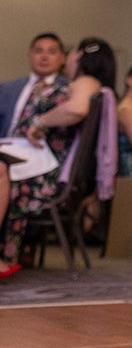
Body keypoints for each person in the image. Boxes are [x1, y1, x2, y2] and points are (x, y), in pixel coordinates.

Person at [0, 39, 115, 278]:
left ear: (79, 55)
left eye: (70, 51)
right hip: (33, 161)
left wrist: (39, 122)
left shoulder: (86, 82)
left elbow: (77, 109)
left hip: (43, 171)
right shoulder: (82, 83)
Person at [0, 32, 68, 138]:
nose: (44, 57)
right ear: (29, 55)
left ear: (62, 58)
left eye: (51, 52)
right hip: (7, 147)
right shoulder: (6, 89)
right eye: (38, 51)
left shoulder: (69, 88)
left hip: (47, 149)